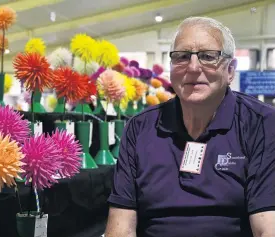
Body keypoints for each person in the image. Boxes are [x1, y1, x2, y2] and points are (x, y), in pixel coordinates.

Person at [105, 17, 275, 237]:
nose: (193, 68)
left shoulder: (261, 124)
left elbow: (268, 227)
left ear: (230, 71)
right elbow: (120, 229)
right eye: (182, 57)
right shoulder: (139, 128)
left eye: (208, 56)